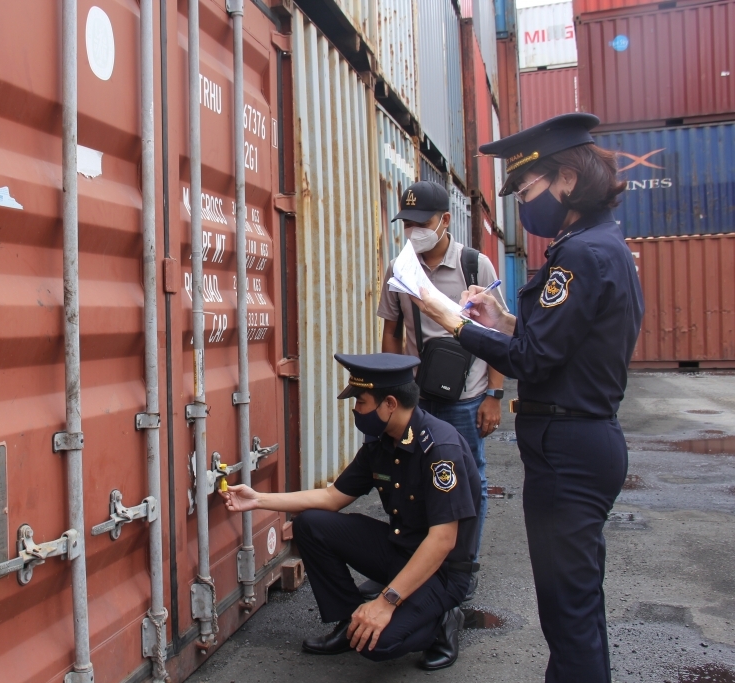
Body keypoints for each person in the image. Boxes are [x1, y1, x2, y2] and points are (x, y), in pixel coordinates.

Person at [411, 113, 643, 683]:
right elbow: (561, 344)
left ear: (566, 178)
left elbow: (534, 362)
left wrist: (451, 321)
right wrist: (506, 320)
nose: (520, 203)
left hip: (570, 450)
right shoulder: (599, 245)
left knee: (569, 615)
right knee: (575, 609)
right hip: (578, 443)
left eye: (526, 188)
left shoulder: (581, 255)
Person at [221, 353, 481, 670]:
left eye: (361, 402)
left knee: (377, 645)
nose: (356, 409)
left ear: (389, 404)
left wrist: (385, 602)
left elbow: (442, 541)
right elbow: (332, 497)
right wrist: (258, 499)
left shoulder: (439, 450)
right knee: (311, 525)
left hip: (441, 572)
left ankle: (443, 621)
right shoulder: (382, 441)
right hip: (400, 551)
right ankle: (349, 622)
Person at [378, 180, 507, 599]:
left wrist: (494, 395)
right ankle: (417, 564)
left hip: (467, 400)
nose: (414, 231)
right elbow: (391, 331)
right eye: (408, 223)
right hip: (419, 396)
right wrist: (393, 386)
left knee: (469, 482)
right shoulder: (399, 268)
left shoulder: (476, 265)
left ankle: (462, 569)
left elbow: (499, 335)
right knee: (413, 478)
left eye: (423, 222)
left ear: (445, 221)